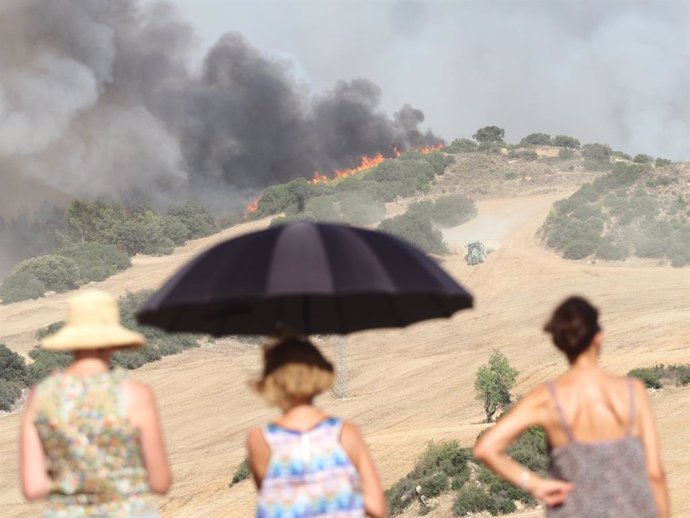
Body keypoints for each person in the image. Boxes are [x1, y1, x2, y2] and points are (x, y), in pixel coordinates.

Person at [473, 296, 669, 517]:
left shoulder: (547, 398)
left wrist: (534, 484)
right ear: (598, 336)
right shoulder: (634, 392)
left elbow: (485, 449)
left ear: (560, 344)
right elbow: (655, 474)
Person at [20, 289, 172, 517]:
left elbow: (33, 489)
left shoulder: (40, 396)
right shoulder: (135, 395)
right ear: (112, 341)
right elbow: (160, 482)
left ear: (71, 341)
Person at [246, 336, 386, 518]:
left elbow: (271, 499)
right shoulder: (345, 433)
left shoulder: (260, 440)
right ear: (320, 374)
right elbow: (377, 508)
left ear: (271, 381)